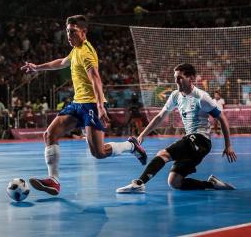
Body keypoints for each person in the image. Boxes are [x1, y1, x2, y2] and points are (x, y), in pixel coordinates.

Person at [21, 15, 147, 196]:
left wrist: (101, 106)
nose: (68, 35)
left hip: (91, 105)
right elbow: (62, 62)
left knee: (99, 153)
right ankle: (54, 181)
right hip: (77, 104)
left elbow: (95, 78)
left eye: (72, 32)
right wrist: (37, 67)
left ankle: (131, 146)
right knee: (50, 134)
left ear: (84, 32)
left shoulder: (87, 52)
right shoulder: (75, 50)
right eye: (67, 32)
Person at [117, 63, 237, 194]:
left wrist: (228, 145)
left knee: (163, 154)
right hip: (191, 140)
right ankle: (211, 184)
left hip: (201, 140)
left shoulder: (202, 97)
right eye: (175, 78)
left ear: (191, 78)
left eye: (179, 78)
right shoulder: (176, 95)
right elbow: (160, 116)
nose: (176, 81)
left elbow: (222, 118)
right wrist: (142, 135)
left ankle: (139, 183)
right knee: (174, 182)